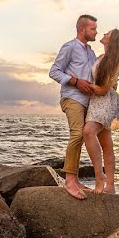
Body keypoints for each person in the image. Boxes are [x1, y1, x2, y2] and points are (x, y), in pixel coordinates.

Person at [49, 14, 98, 199]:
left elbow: (93, 77)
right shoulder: (69, 47)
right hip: (71, 97)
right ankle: (69, 182)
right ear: (82, 29)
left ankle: (75, 179)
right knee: (77, 134)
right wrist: (76, 82)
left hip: (88, 102)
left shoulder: (91, 52)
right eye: (93, 29)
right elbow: (53, 71)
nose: (95, 32)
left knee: (84, 137)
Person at [83, 29, 119, 194]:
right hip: (96, 102)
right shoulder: (101, 57)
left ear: (113, 39)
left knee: (88, 132)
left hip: (105, 101)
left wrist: (81, 84)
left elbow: (102, 90)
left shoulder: (113, 61)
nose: (104, 33)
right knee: (106, 143)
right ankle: (110, 186)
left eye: (108, 33)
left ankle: (99, 177)